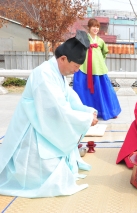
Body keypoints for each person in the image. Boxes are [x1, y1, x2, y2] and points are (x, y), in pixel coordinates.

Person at [0, 30, 99, 198]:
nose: (76, 71)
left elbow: (69, 98)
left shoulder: (57, 73)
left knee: (61, 170)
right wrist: (86, 119)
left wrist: (88, 111)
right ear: (63, 59)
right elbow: (57, 109)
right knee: (48, 175)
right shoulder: (44, 74)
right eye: (75, 66)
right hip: (32, 129)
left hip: (44, 124)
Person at [73, 18, 121, 120]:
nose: (95, 29)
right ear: (89, 28)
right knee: (83, 90)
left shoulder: (100, 41)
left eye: (97, 27)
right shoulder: (84, 39)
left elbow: (104, 52)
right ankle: (84, 112)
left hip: (99, 69)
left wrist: (99, 62)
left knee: (105, 91)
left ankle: (110, 111)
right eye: (93, 26)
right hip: (85, 68)